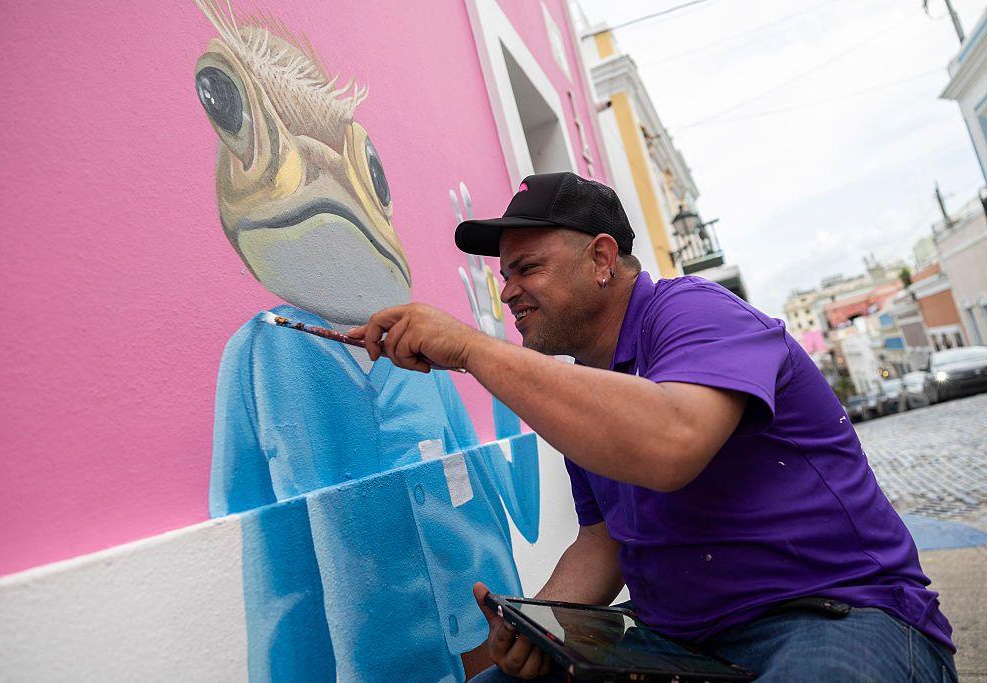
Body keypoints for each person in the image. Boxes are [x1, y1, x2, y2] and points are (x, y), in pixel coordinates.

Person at [349, 172, 958, 681]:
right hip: (679, 641)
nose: (507, 292)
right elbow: (606, 536)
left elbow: (671, 443)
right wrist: (539, 621)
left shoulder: (696, 310)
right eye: (504, 275)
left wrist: (470, 349)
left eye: (526, 269)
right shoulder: (583, 379)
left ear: (602, 258)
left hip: (834, 614)